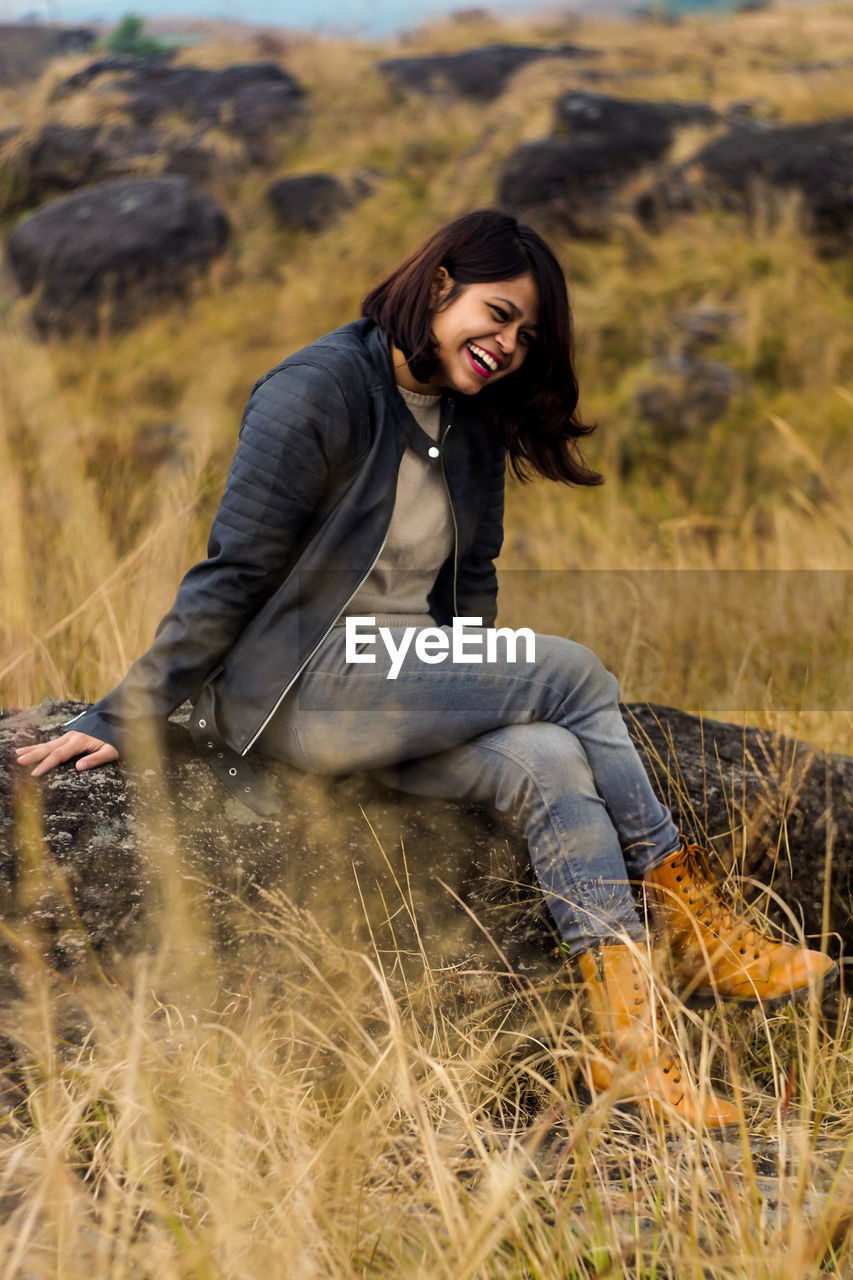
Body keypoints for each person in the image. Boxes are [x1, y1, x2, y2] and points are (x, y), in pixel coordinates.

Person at [15, 209, 835, 1128]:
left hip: (401, 693)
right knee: (571, 672)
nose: (508, 344)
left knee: (552, 762)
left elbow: (469, 576)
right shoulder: (315, 389)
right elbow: (234, 571)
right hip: (303, 689)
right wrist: (121, 712)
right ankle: (691, 916)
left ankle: (630, 1055)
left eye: (526, 335)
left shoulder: (470, 420)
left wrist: (471, 693)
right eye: (496, 313)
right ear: (438, 283)